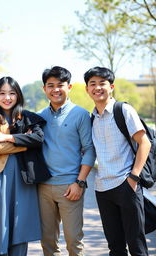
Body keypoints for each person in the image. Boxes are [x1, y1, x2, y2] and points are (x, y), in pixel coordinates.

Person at [0, 76, 47, 256]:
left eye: (11, 93)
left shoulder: (26, 116)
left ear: (18, 96)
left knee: (19, 225)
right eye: (2, 93)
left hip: (23, 177)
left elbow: (38, 139)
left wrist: (8, 137)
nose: (7, 98)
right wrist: (25, 143)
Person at [84, 66, 151, 256]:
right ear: (87, 89)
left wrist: (134, 177)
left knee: (136, 244)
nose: (97, 88)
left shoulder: (123, 110)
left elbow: (144, 143)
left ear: (111, 86)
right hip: (102, 188)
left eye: (102, 83)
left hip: (126, 184)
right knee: (115, 246)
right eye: (92, 84)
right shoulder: (92, 118)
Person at [37, 66, 96, 256]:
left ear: (69, 86)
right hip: (43, 187)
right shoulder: (39, 117)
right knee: (47, 242)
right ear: (44, 89)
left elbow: (89, 150)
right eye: (50, 85)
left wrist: (80, 182)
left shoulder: (80, 114)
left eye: (60, 85)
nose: (55, 90)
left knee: (73, 241)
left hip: (70, 187)